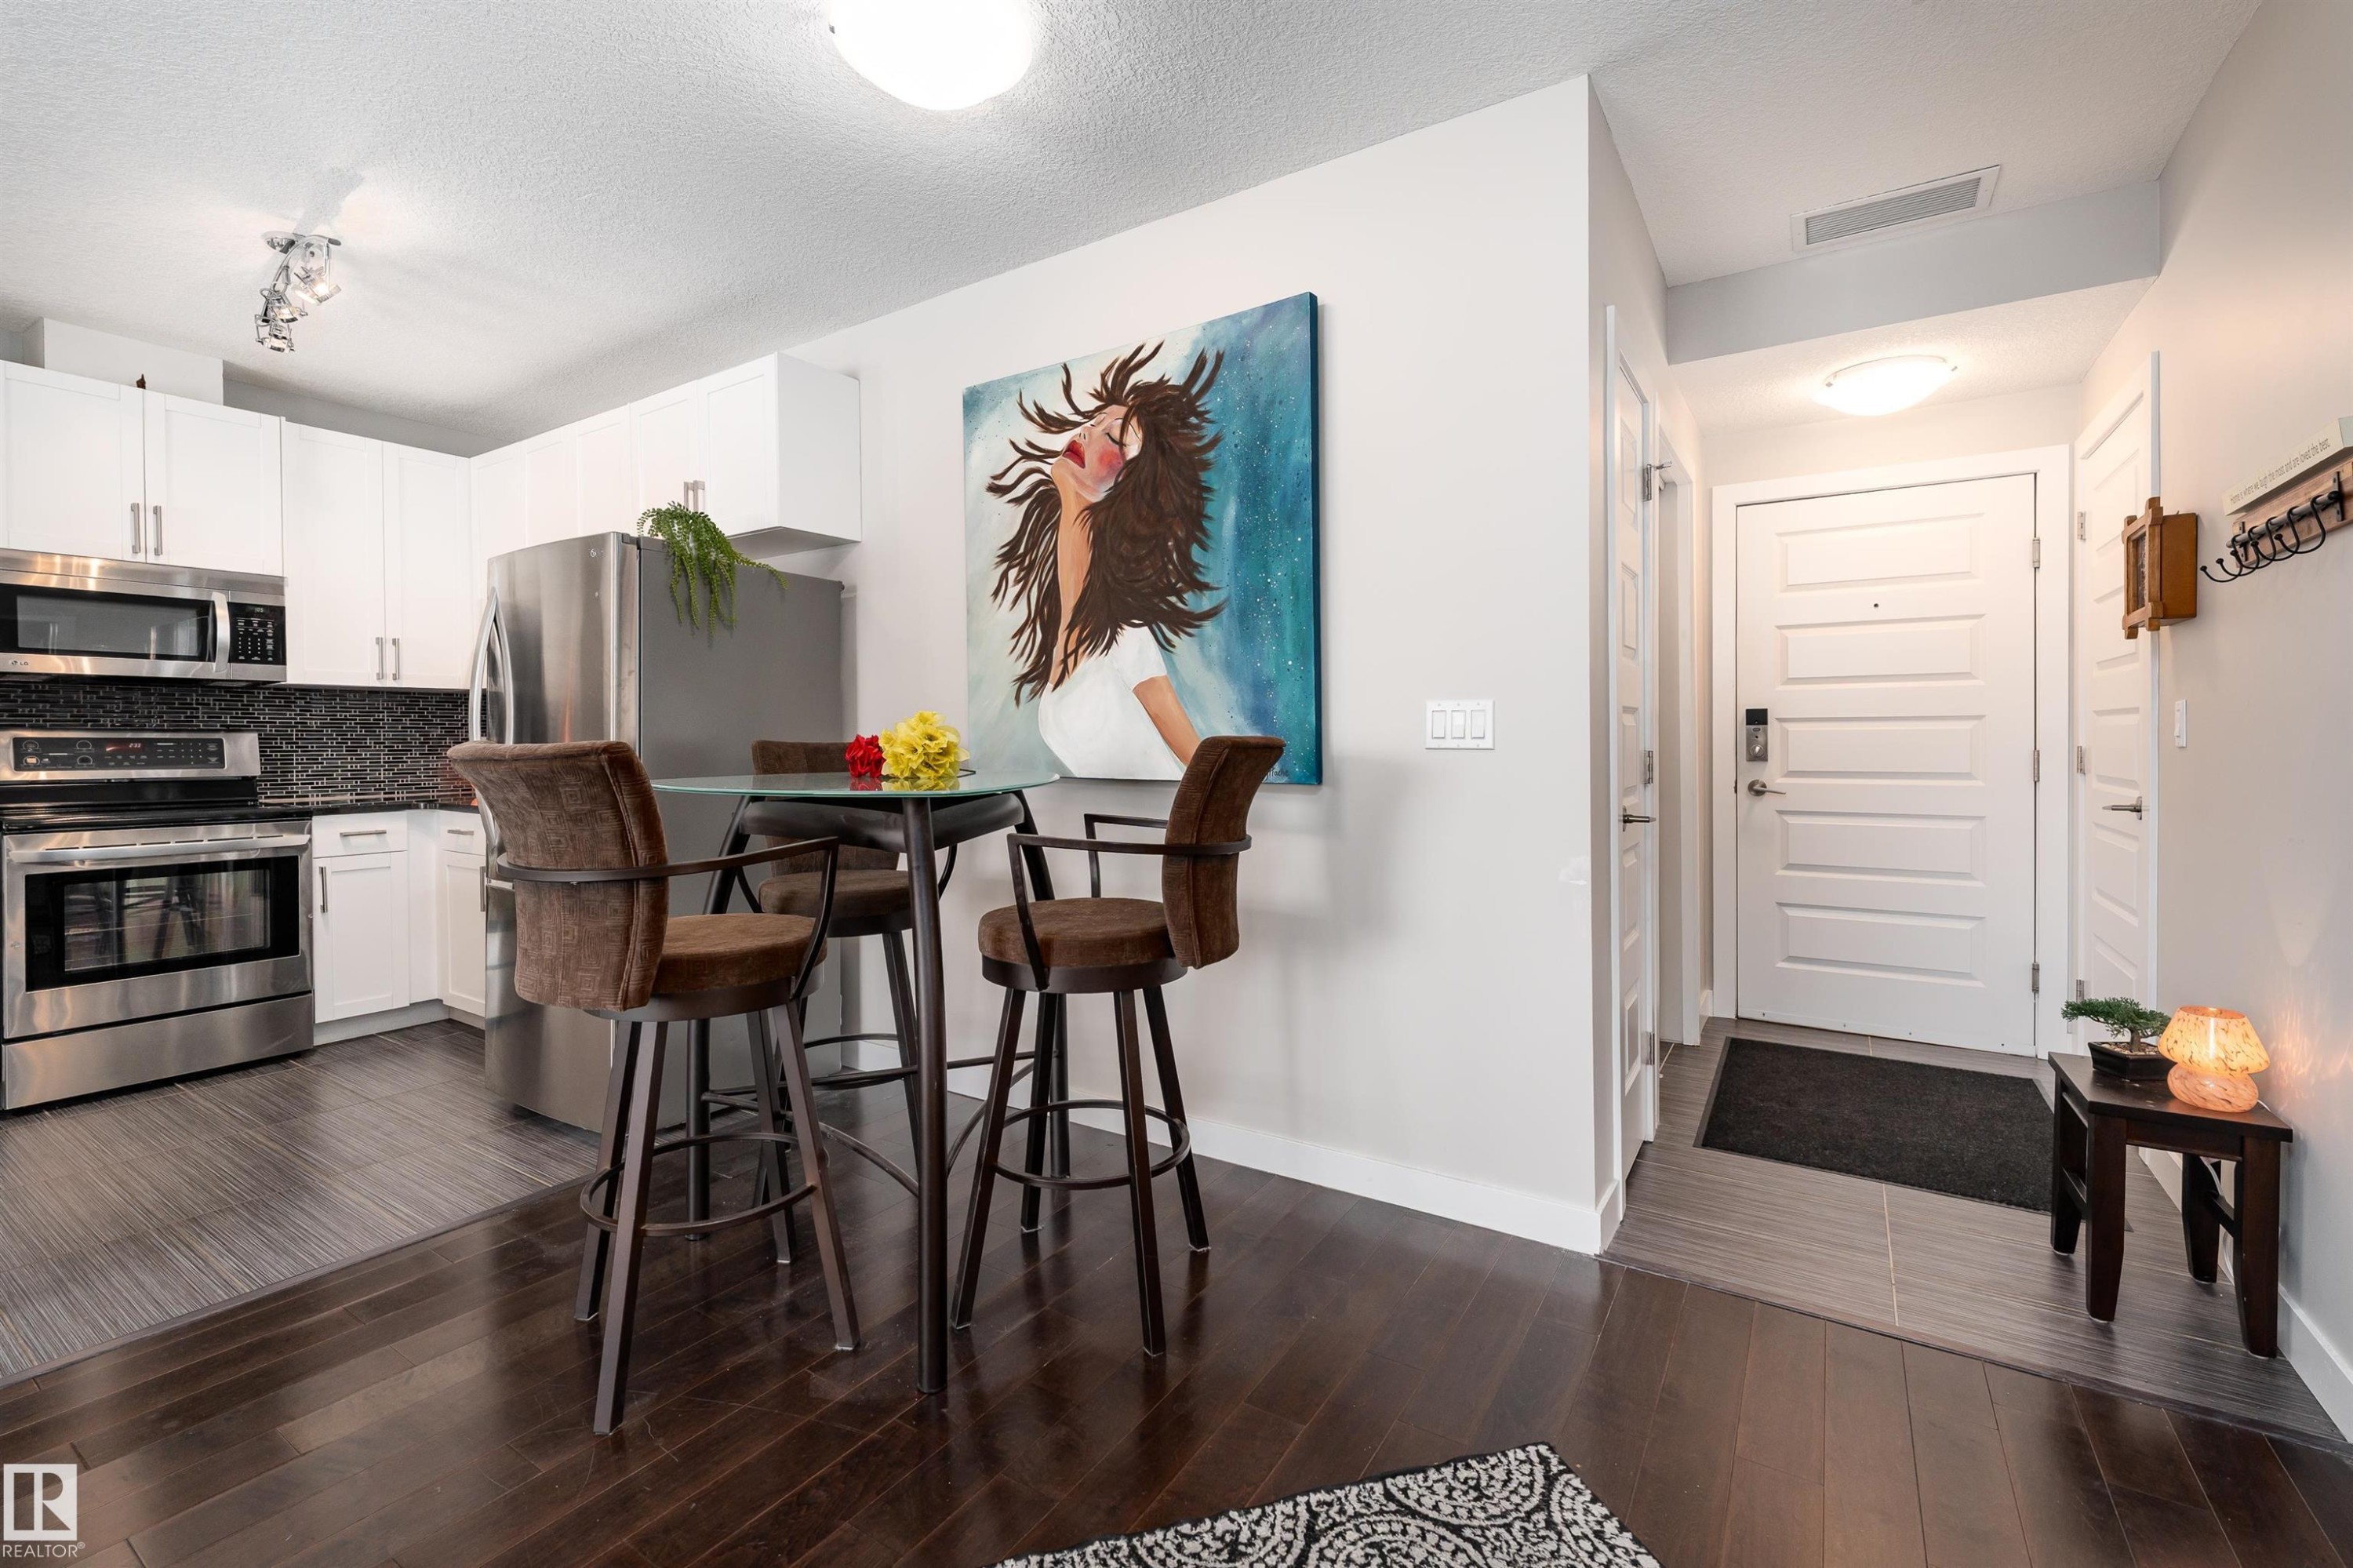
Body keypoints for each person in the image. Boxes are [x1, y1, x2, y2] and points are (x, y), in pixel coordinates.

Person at [985, 340, 1224, 779]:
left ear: (1132, 486)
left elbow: (1207, 773)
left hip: (1159, 839)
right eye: (1095, 422)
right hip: (1119, 835)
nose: (1087, 433)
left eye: (1114, 437)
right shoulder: (1068, 633)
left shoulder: (1128, 640)